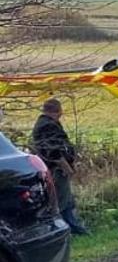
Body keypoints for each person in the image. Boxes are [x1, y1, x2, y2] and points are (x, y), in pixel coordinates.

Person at [29, 98, 87, 235]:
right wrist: (67, 168)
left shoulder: (46, 123)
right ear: (56, 111)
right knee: (61, 202)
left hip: (56, 168)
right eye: (60, 111)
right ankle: (60, 232)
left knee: (67, 200)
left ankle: (75, 229)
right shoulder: (48, 126)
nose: (61, 114)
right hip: (56, 169)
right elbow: (53, 152)